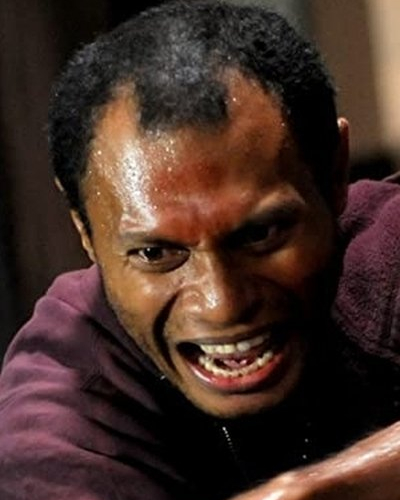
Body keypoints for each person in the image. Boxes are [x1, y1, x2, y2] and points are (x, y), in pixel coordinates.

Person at [1, 1, 400, 499]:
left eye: (261, 235)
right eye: (156, 254)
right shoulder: (65, 405)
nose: (222, 303)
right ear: (84, 230)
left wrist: (327, 488)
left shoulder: (386, 248)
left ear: (336, 173)